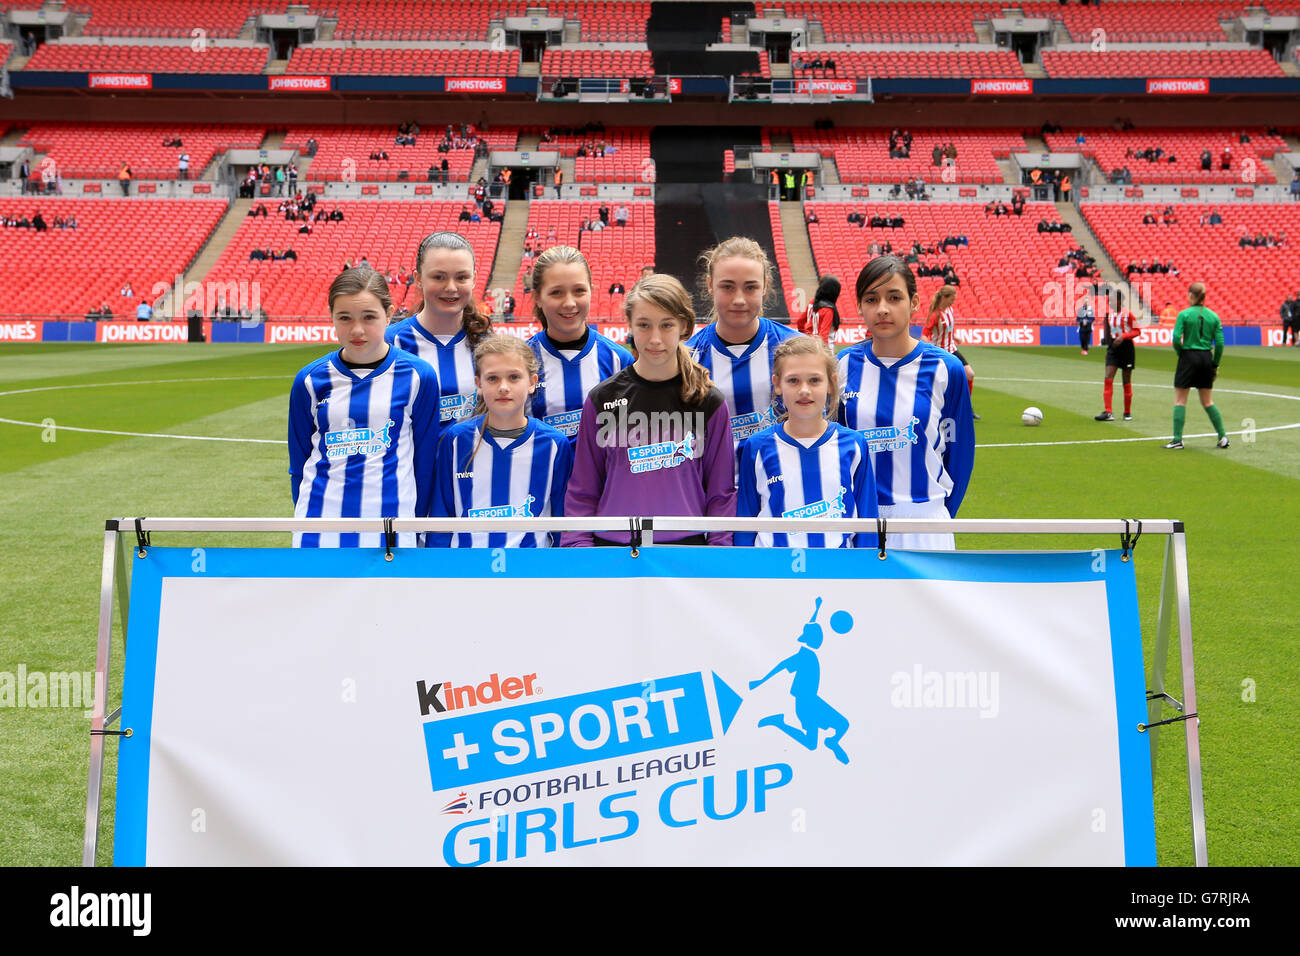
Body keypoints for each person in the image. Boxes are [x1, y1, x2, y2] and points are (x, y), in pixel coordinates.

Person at [563, 274, 736, 547]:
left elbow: (721, 493)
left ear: (684, 326)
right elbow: (583, 490)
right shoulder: (602, 399)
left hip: (686, 550)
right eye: (644, 325)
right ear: (629, 326)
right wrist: (579, 548)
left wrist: (717, 552)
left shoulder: (708, 401)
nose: (655, 338)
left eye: (666, 325)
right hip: (612, 549)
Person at [288, 268, 441, 548]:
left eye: (369, 317)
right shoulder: (310, 380)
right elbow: (298, 464)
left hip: (393, 526)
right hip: (319, 525)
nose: (357, 330)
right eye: (344, 318)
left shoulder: (419, 376)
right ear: (332, 316)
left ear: (389, 314)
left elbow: (424, 463)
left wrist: (415, 523)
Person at [836, 255, 975, 551]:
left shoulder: (946, 369)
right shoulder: (843, 366)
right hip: (858, 523)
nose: (883, 309)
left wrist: (940, 515)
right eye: (871, 299)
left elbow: (959, 454)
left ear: (913, 303)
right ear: (860, 306)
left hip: (924, 523)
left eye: (894, 297)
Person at [430, 335, 573, 548]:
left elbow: (563, 521)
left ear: (533, 382)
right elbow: (441, 517)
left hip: (531, 573)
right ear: (478, 384)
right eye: (492, 378)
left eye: (514, 377)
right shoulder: (456, 441)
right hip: (466, 572)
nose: (503, 387)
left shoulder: (554, 444)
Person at [736, 335, 877, 548]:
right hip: (773, 575)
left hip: (837, 574)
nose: (804, 390)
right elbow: (745, 526)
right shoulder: (757, 447)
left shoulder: (854, 446)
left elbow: (867, 526)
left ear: (831, 384)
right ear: (777, 384)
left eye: (814, 380)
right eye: (793, 380)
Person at [688, 237, 799, 445]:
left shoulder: (795, 349)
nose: (739, 299)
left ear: (765, 286)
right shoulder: (688, 358)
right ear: (710, 285)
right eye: (728, 287)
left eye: (750, 288)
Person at [525, 246, 634, 444]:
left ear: (591, 291)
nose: (569, 303)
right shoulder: (521, 362)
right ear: (537, 297)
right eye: (556, 292)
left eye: (579, 291)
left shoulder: (619, 360)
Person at [385, 232, 492, 425]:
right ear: (418, 278)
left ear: (474, 279)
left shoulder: (490, 344)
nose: (451, 287)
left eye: (461, 277)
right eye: (438, 277)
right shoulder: (389, 343)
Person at [1165, 282, 1228, 450]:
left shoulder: (1184, 315)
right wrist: (1215, 364)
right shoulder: (1213, 316)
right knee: (1207, 401)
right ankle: (1223, 436)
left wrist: (1182, 354)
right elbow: (1220, 343)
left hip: (1188, 356)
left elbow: (1176, 338)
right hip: (1206, 357)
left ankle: (1178, 439)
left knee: (1180, 400)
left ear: (1191, 295)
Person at [922, 285, 980, 420]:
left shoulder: (949, 310)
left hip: (952, 349)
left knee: (970, 374)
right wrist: (927, 346)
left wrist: (954, 337)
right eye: (952, 299)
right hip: (941, 353)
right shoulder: (935, 315)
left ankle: (966, 408)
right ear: (944, 298)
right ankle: (938, 409)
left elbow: (948, 329)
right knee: (942, 383)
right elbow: (925, 334)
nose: (953, 302)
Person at [1094, 288, 1138, 422]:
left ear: (1119, 300)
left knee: (1126, 380)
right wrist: (1109, 344)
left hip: (1126, 349)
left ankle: (1127, 412)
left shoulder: (1128, 314)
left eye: (1111, 299)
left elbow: (1137, 331)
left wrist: (1123, 336)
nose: (1109, 302)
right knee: (1108, 377)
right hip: (1114, 348)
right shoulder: (1111, 315)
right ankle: (1108, 412)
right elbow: (1114, 331)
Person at [797, 274, 841, 347]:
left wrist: (804, 335)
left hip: (809, 342)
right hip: (822, 346)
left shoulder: (812, 302)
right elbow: (824, 334)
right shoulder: (828, 309)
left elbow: (800, 321)